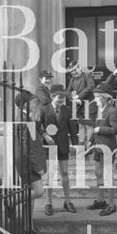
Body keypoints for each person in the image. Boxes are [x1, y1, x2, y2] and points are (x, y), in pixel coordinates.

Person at [39, 84, 78, 216]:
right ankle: (48, 202)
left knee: (65, 173)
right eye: (59, 97)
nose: (61, 99)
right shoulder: (44, 109)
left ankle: (67, 201)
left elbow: (73, 128)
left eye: (63, 97)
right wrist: (45, 135)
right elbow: (37, 126)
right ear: (52, 96)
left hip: (63, 145)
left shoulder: (67, 110)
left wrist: (75, 145)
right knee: (50, 175)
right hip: (48, 146)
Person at [14, 90, 47, 234]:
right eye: (33, 101)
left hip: (27, 160)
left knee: (31, 199)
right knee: (38, 192)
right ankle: (11, 202)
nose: (36, 103)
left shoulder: (28, 117)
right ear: (25, 104)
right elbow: (26, 146)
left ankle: (28, 228)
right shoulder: (23, 119)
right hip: (27, 162)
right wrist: (37, 166)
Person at [87, 82, 117, 216]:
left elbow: (115, 129)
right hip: (97, 147)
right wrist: (90, 141)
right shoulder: (99, 110)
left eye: (97, 97)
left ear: (105, 97)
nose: (95, 99)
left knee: (107, 176)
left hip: (107, 147)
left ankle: (112, 204)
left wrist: (100, 129)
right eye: (95, 97)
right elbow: (94, 127)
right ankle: (101, 200)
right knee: (97, 173)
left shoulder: (112, 111)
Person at [66, 60, 95, 149]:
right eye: (71, 71)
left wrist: (78, 96)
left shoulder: (87, 75)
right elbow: (68, 92)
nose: (73, 72)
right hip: (79, 106)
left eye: (75, 70)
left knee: (89, 125)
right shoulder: (72, 80)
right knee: (81, 126)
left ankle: (89, 147)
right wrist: (73, 98)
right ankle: (81, 148)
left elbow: (90, 87)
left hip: (89, 104)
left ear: (79, 68)